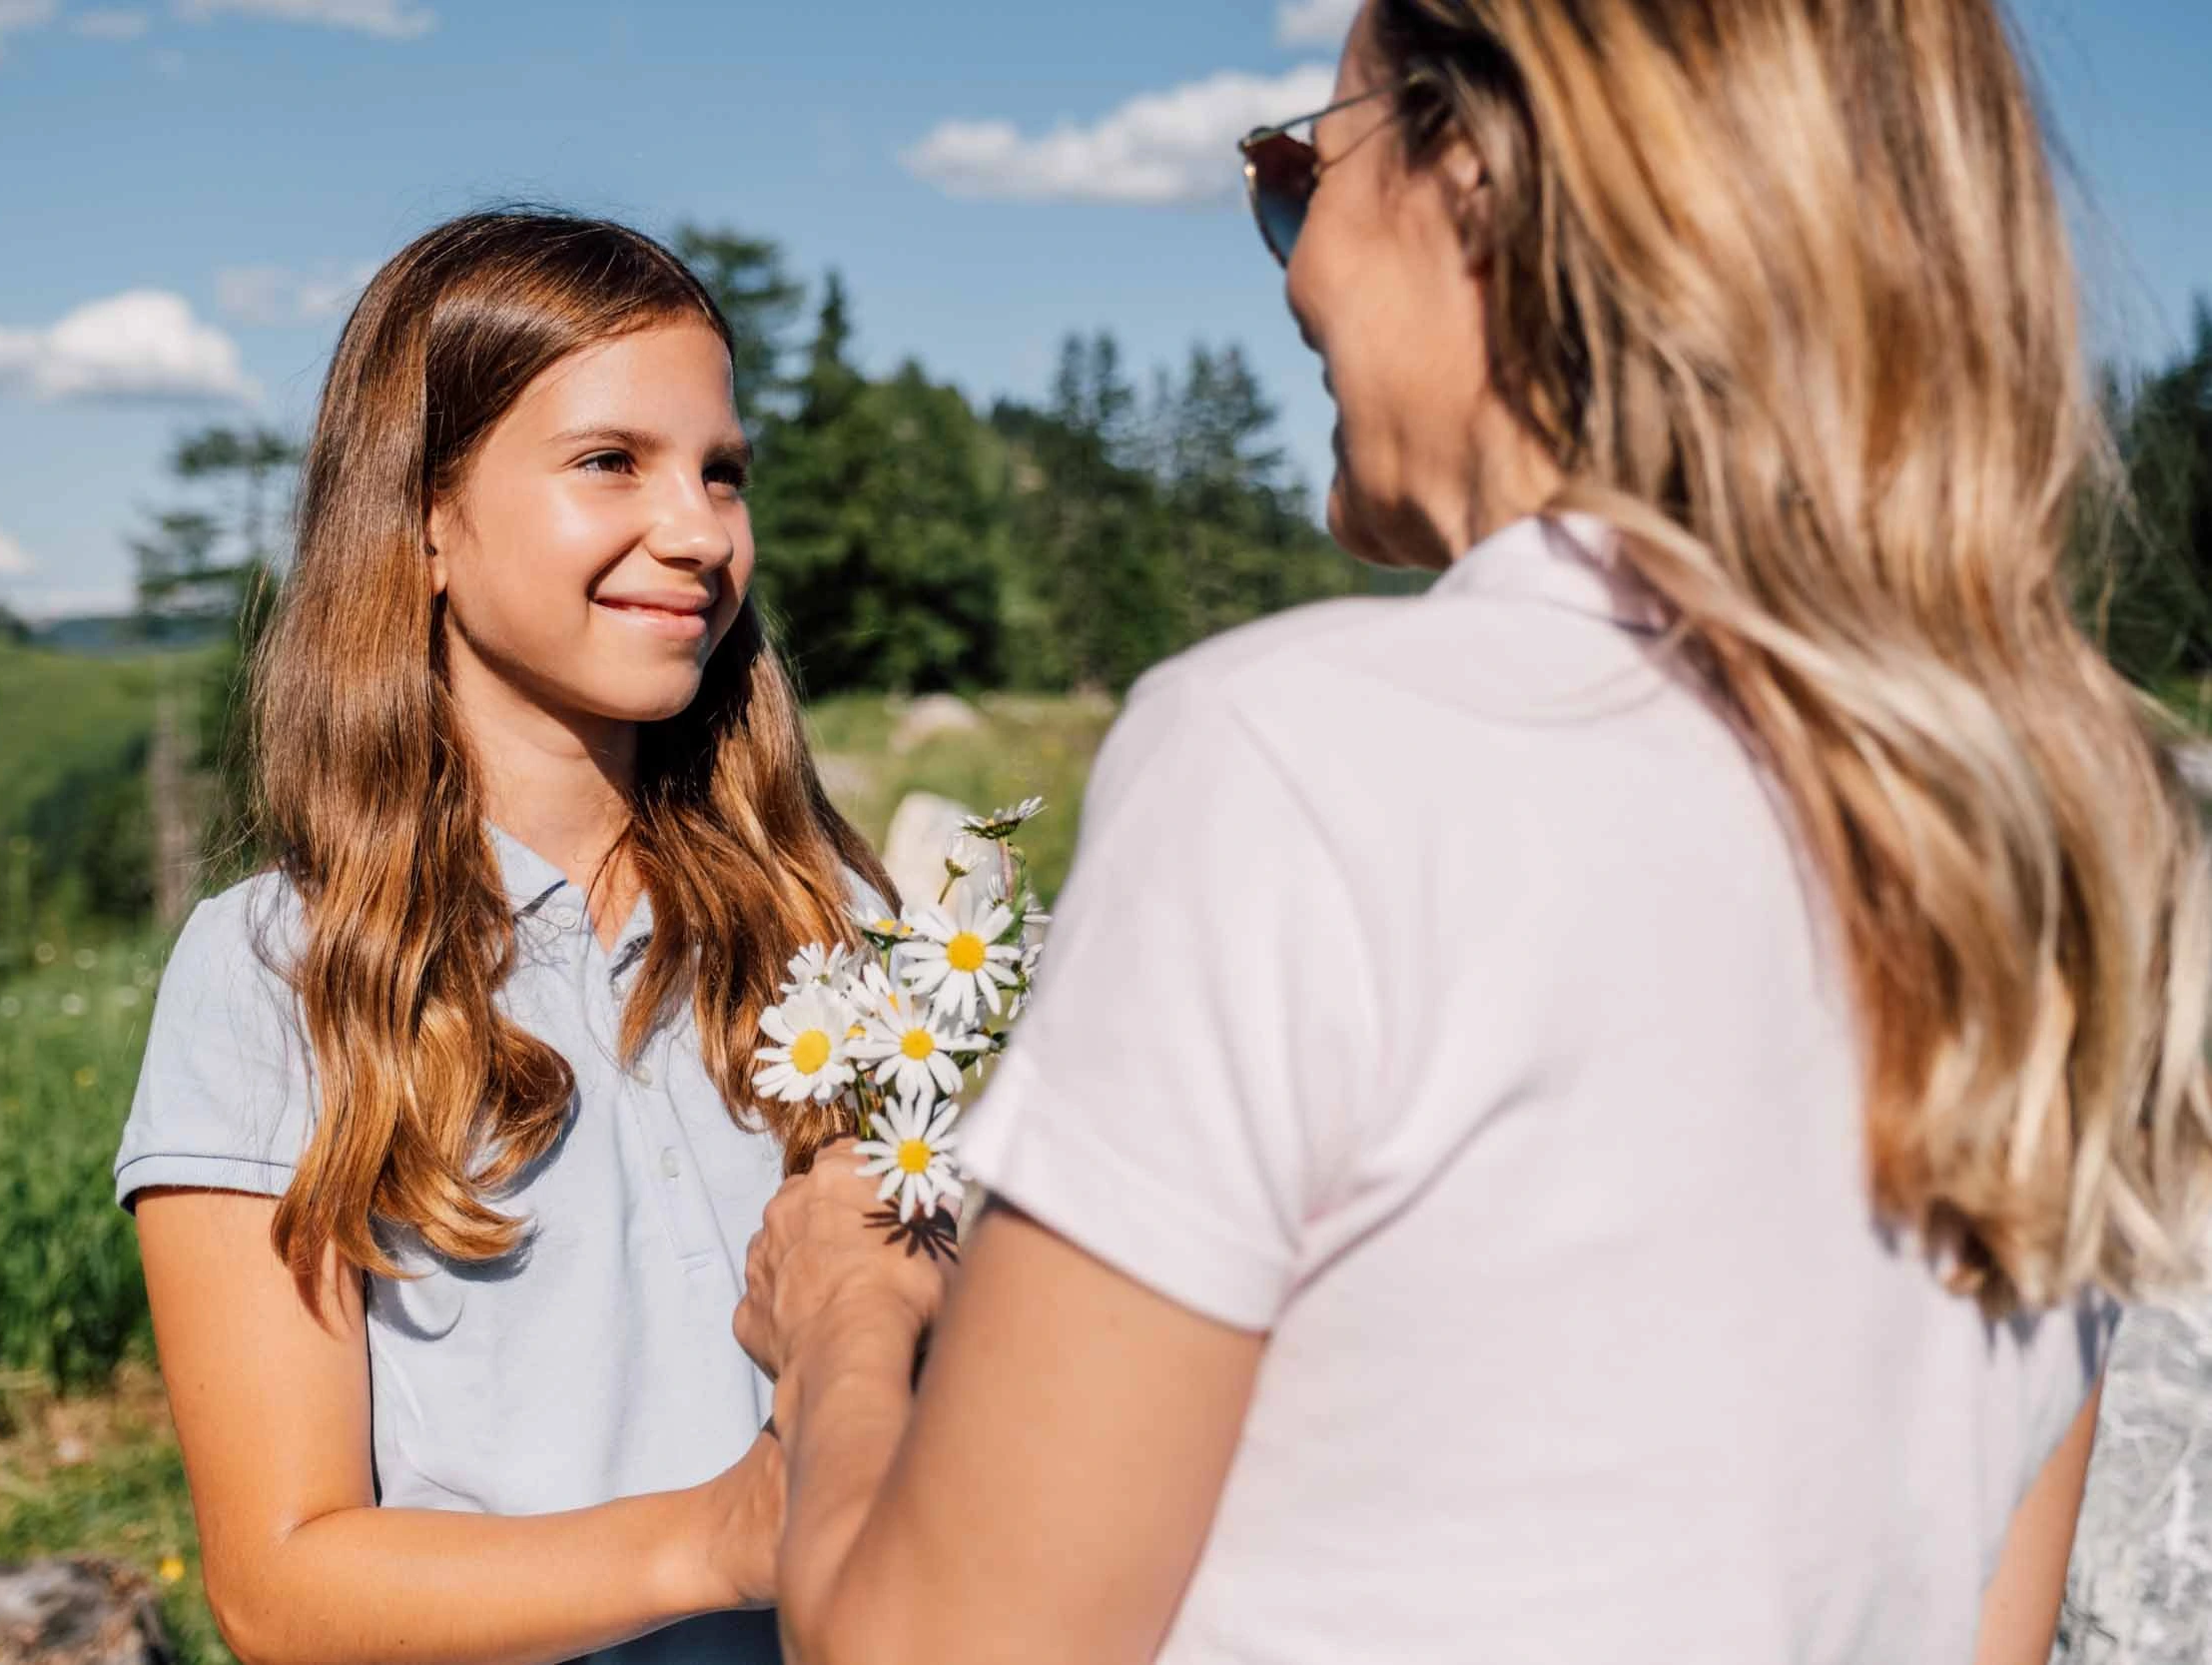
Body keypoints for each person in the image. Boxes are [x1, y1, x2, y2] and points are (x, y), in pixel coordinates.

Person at [733, 4, 2212, 1662]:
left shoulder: (1291, 764)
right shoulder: (2063, 856)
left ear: (1482, 176)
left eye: (1303, 169)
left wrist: (846, 1323)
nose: (1286, 264)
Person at [114, 210, 892, 1665]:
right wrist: (719, 1533)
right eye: (612, 462)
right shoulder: (282, 973)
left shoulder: (830, 917)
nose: (698, 530)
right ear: (422, 518)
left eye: (723, 472)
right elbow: (280, 1587)